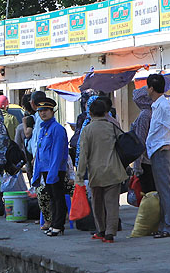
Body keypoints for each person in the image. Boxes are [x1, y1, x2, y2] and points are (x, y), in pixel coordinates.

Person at [75, 96, 127, 242]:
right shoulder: (112, 127)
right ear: (106, 113)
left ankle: (101, 230)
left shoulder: (87, 130)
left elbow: (83, 154)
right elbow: (123, 143)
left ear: (90, 113)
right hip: (113, 170)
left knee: (97, 203)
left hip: (96, 173)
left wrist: (79, 176)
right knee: (112, 204)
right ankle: (110, 233)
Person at [147, 74, 170, 238]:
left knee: (166, 190)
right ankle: (165, 224)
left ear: (151, 88)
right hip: (157, 150)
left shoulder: (164, 106)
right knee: (162, 190)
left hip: (162, 151)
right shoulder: (158, 105)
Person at [32, 97, 68, 236]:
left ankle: (59, 225)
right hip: (45, 169)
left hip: (56, 169)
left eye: (46, 110)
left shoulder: (57, 129)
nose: (43, 113)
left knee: (58, 197)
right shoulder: (43, 129)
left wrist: (53, 171)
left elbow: (58, 152)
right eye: (40, 111)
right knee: (51, 198)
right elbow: (40, 152)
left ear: (52, 111)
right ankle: (53, 223)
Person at [131, 86, 155, 194]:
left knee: (148, 195)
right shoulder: (154, 111)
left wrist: (137, 165)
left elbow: (140, 140)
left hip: (146, 161)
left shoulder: (145, 115)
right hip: (154, 158)